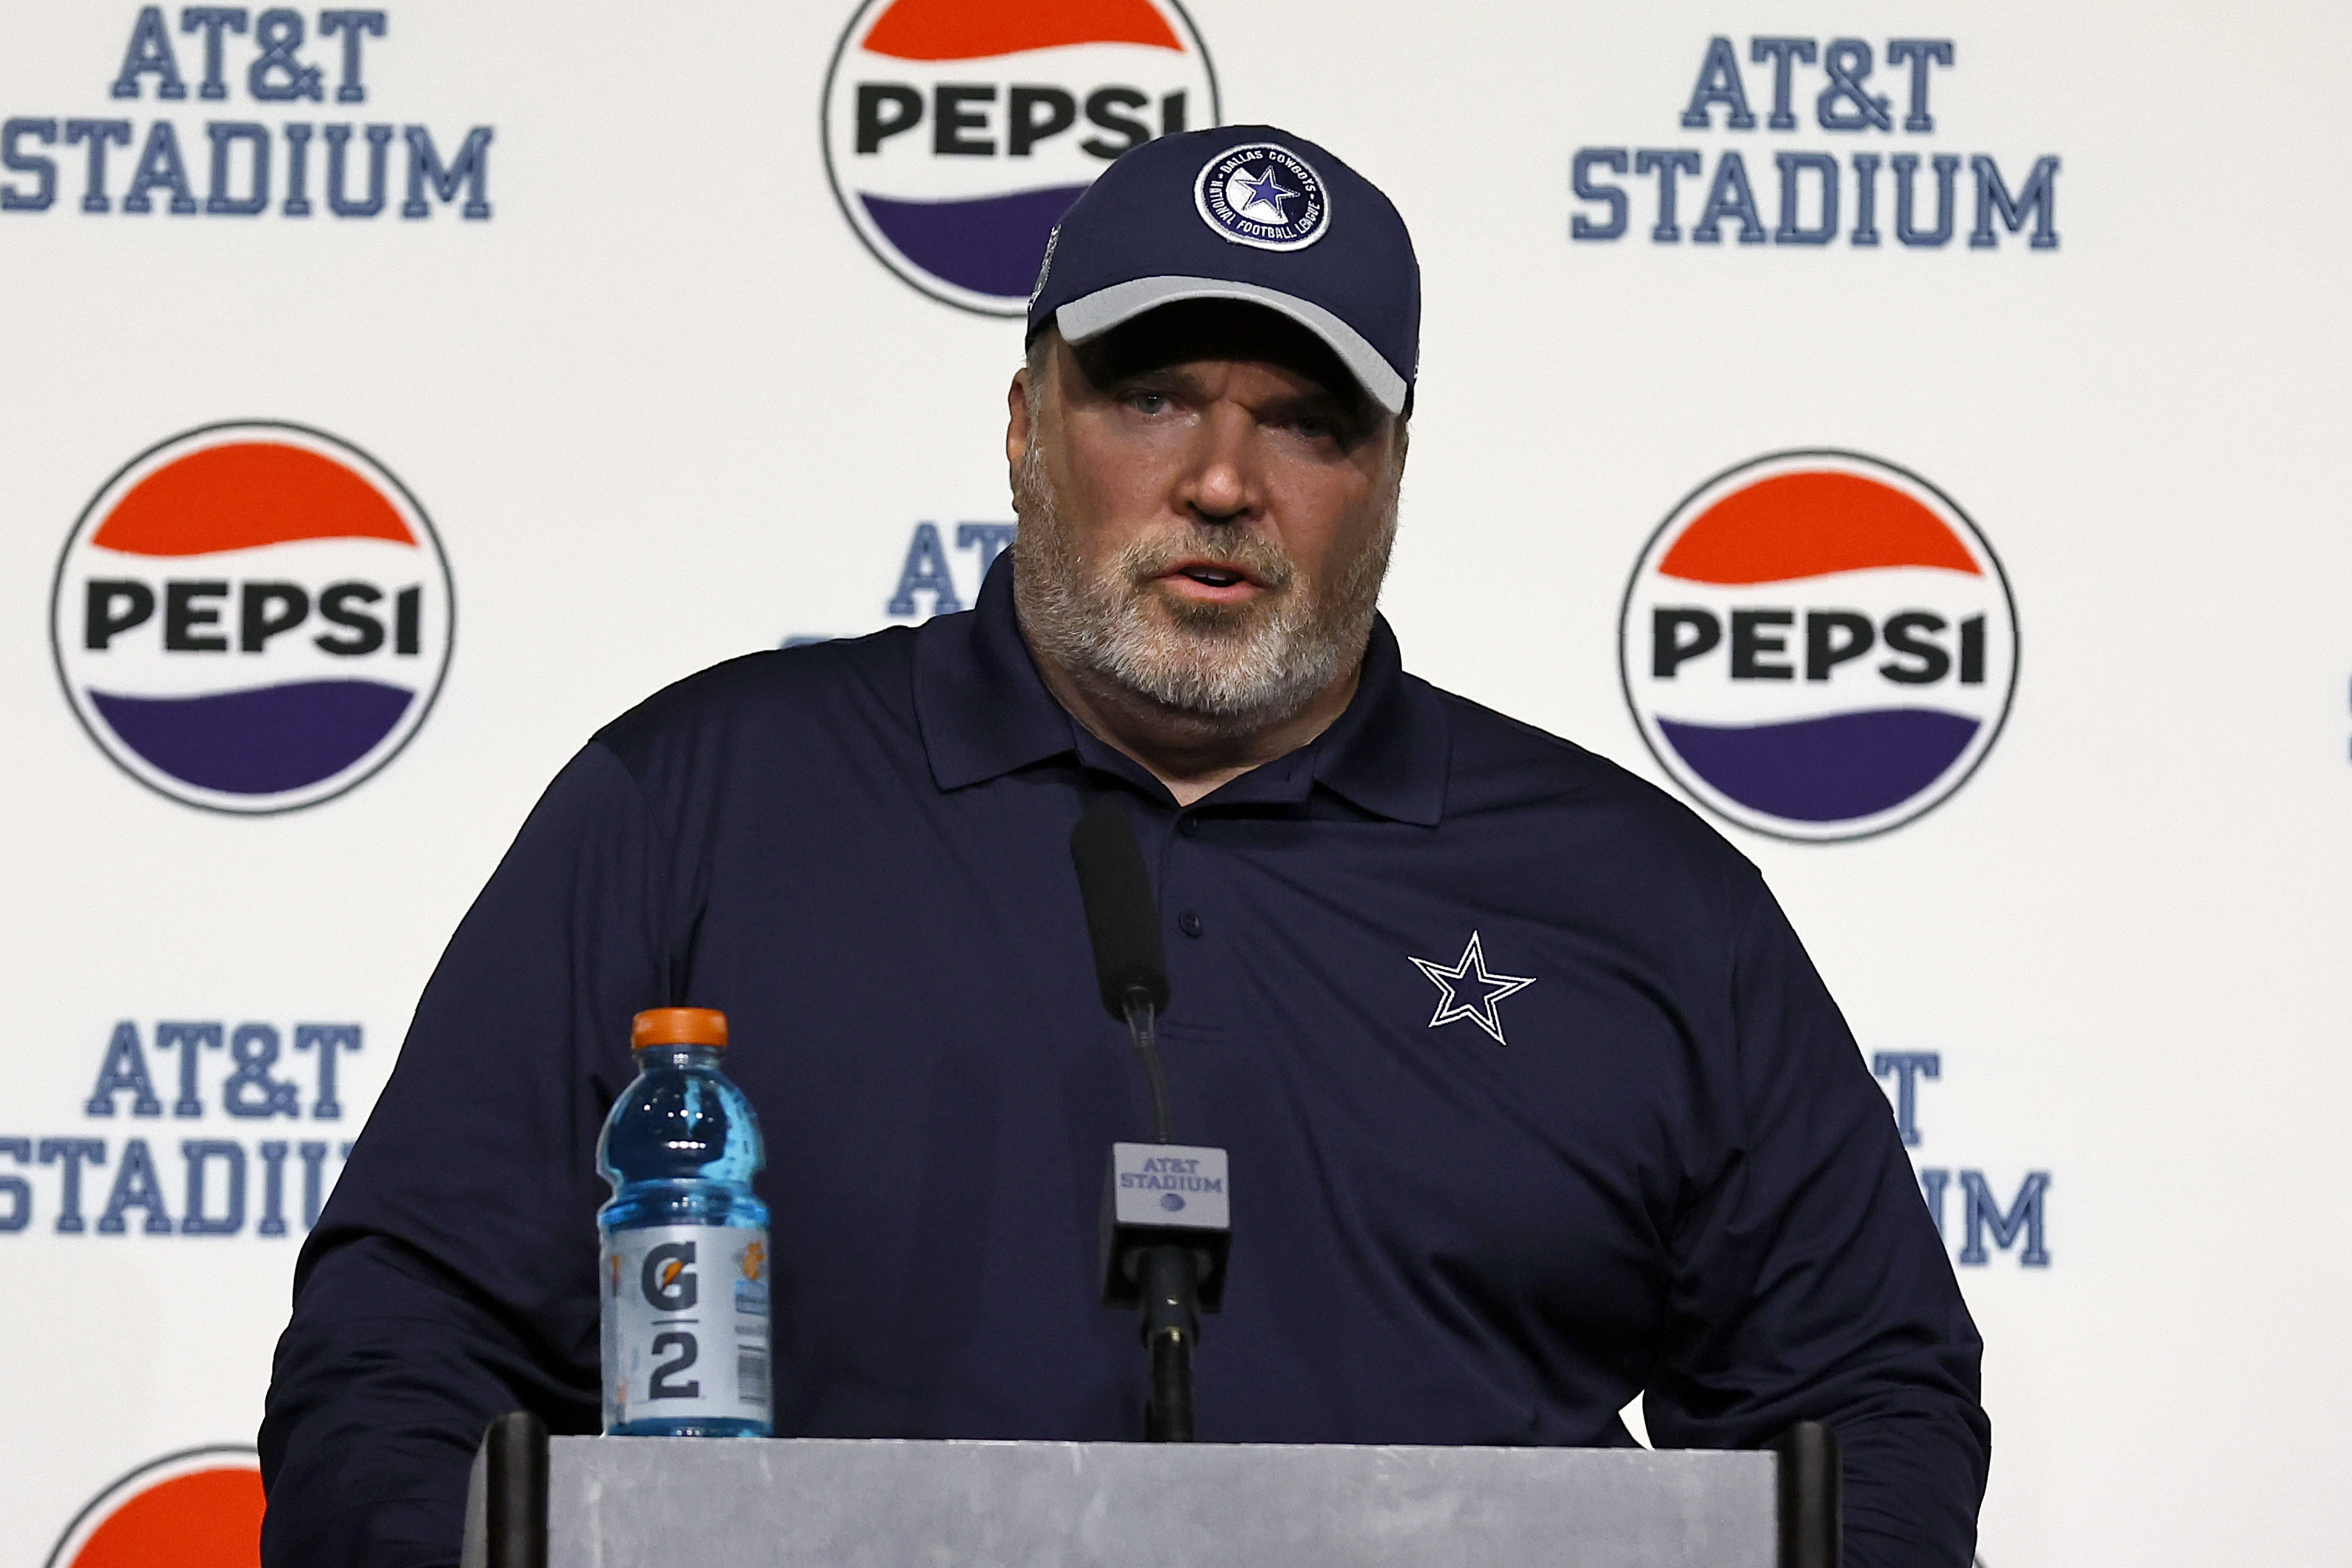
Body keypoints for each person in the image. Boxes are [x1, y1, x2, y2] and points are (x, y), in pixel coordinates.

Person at [260, 125, 1989, 1567]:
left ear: (1392, 474)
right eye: (1150, 396)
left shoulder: (1636, 900)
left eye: (1307, 420)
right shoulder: (702, 802)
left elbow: (1865, 1414)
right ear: (1024, 426)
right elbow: (400, 1363)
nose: (1223, 478)